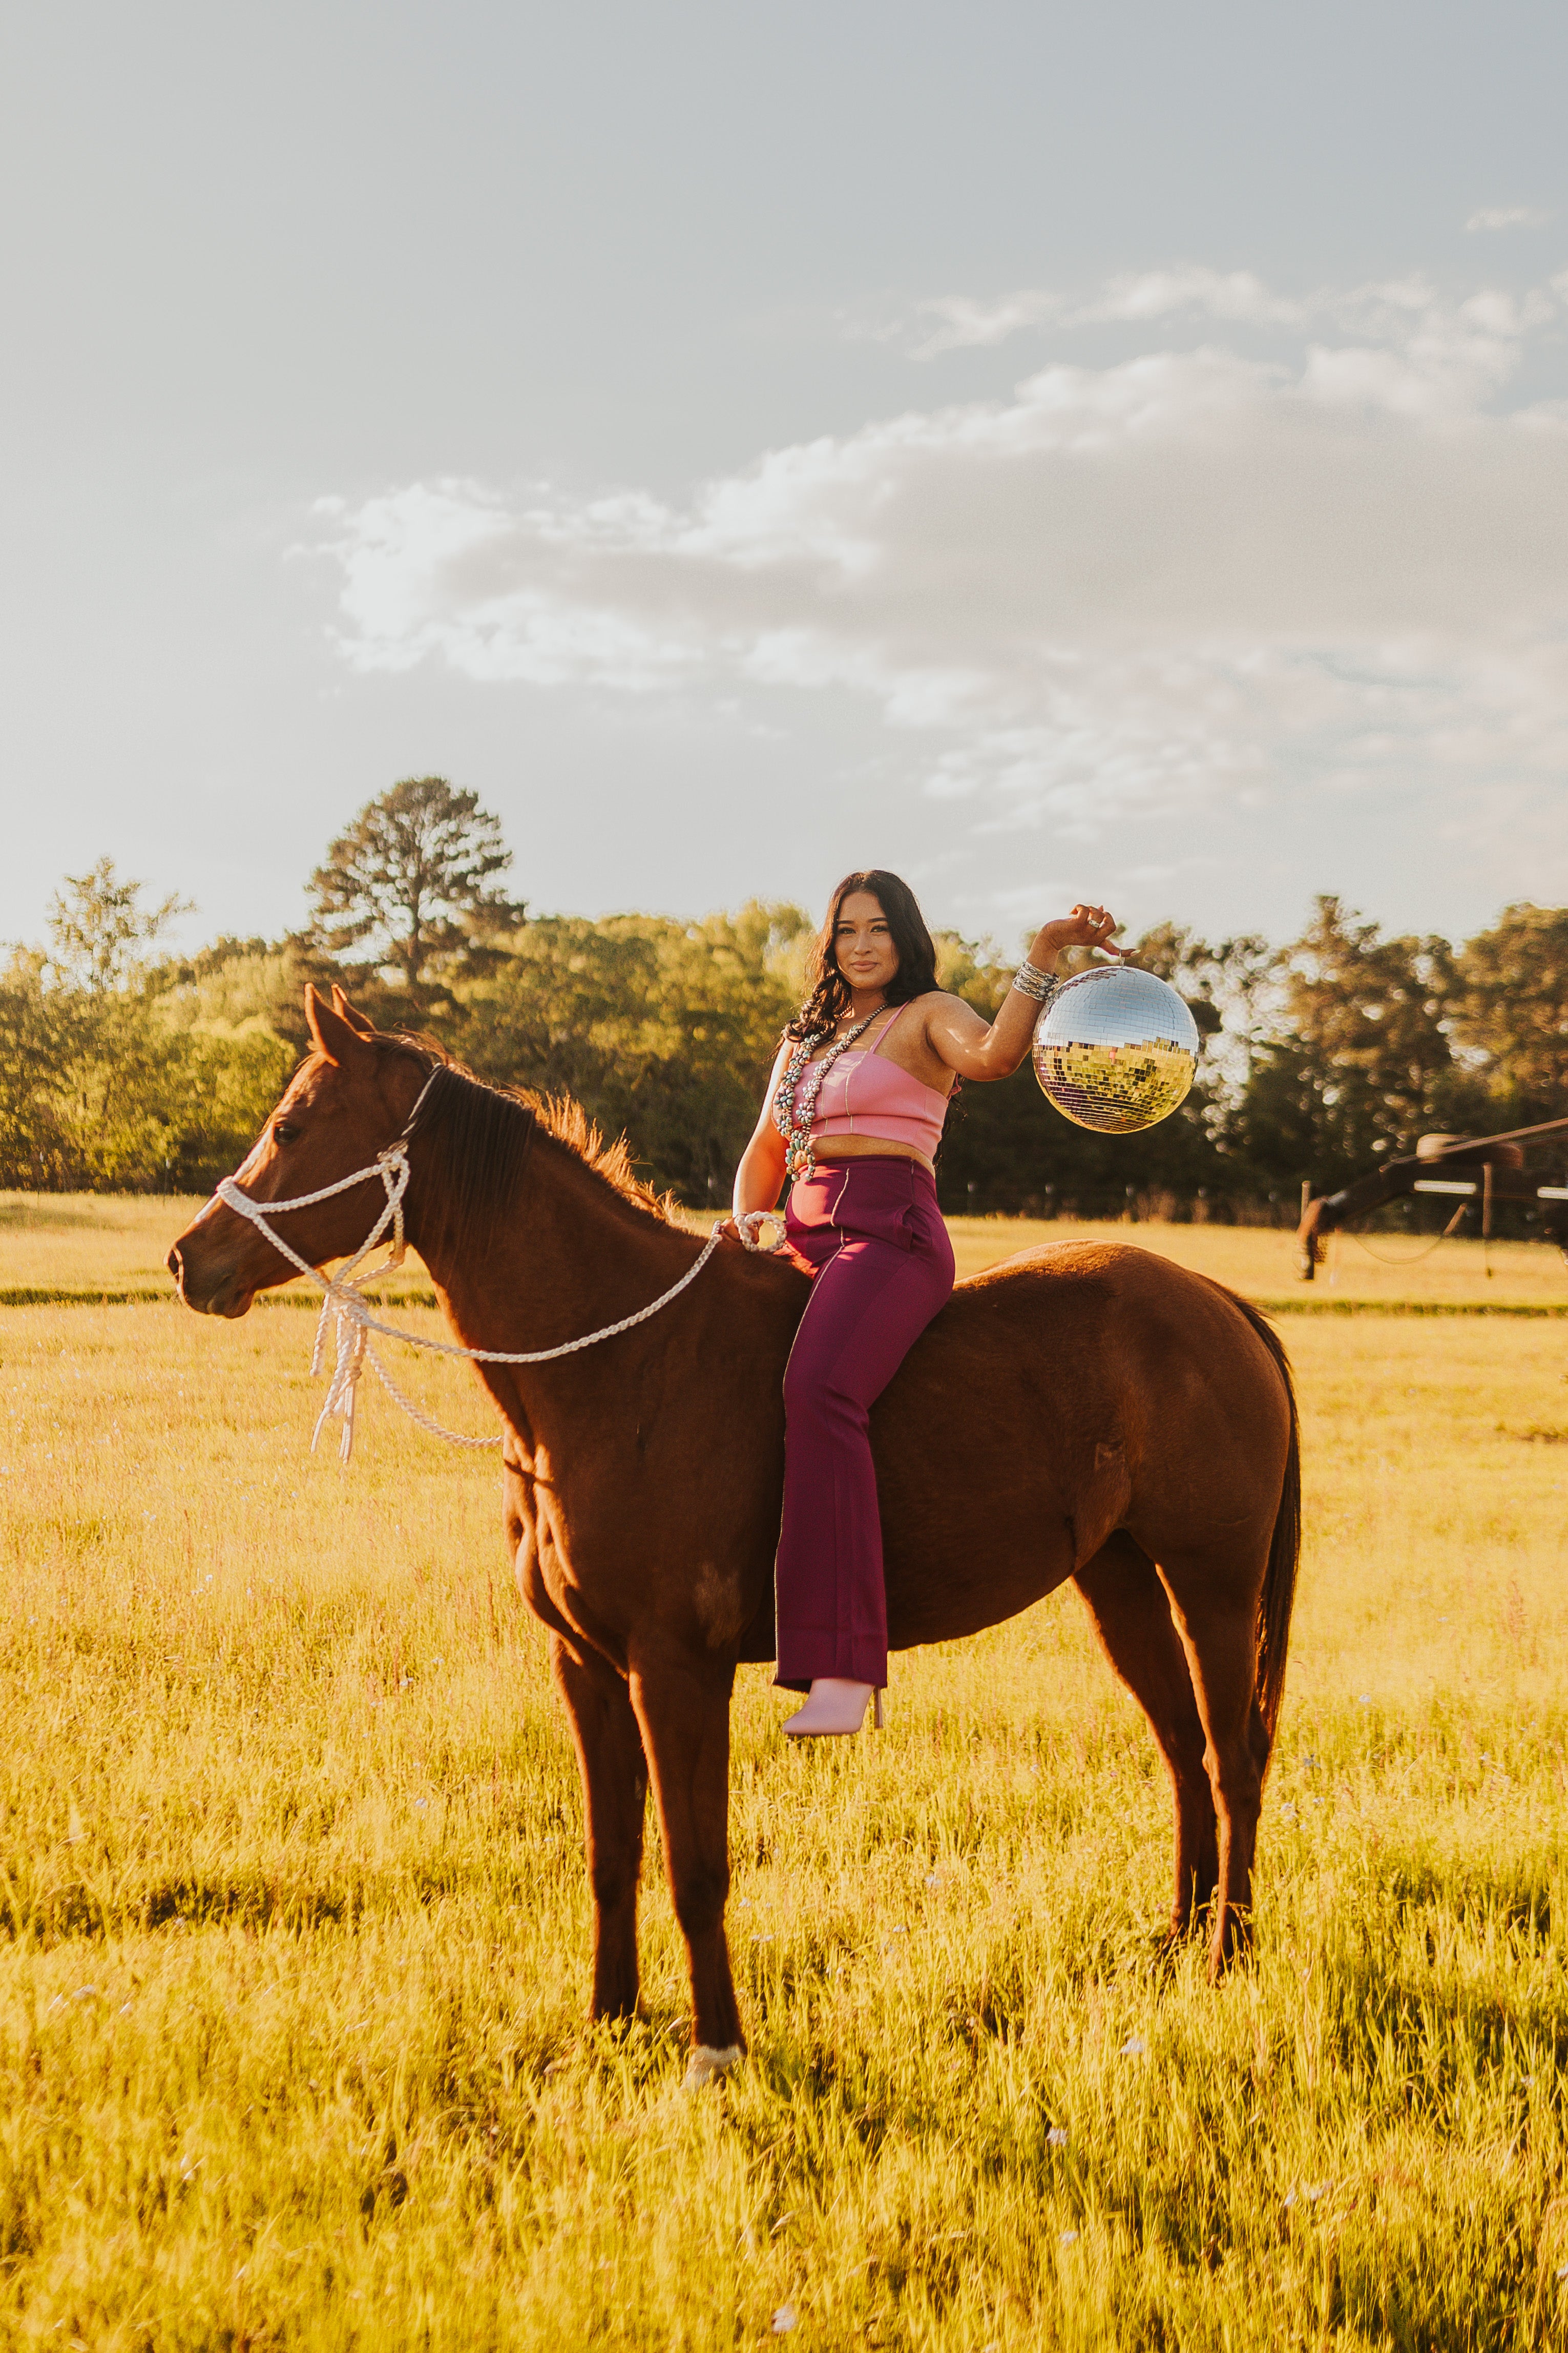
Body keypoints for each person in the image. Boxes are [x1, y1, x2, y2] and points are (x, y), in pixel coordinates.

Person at [728, 870, 1126, 1738]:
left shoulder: (929, 1015)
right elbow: (765, 1147)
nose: (860, 944)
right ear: (829, 945)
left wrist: (1042, 956)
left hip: (888, 1234)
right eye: (845, 930)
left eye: (877, 928)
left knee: (818, 1392)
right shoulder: (804, 1038)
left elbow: (994, 1058)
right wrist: (745, 1223)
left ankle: (841, 1668)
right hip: (797, 1232)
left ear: (906, 938)